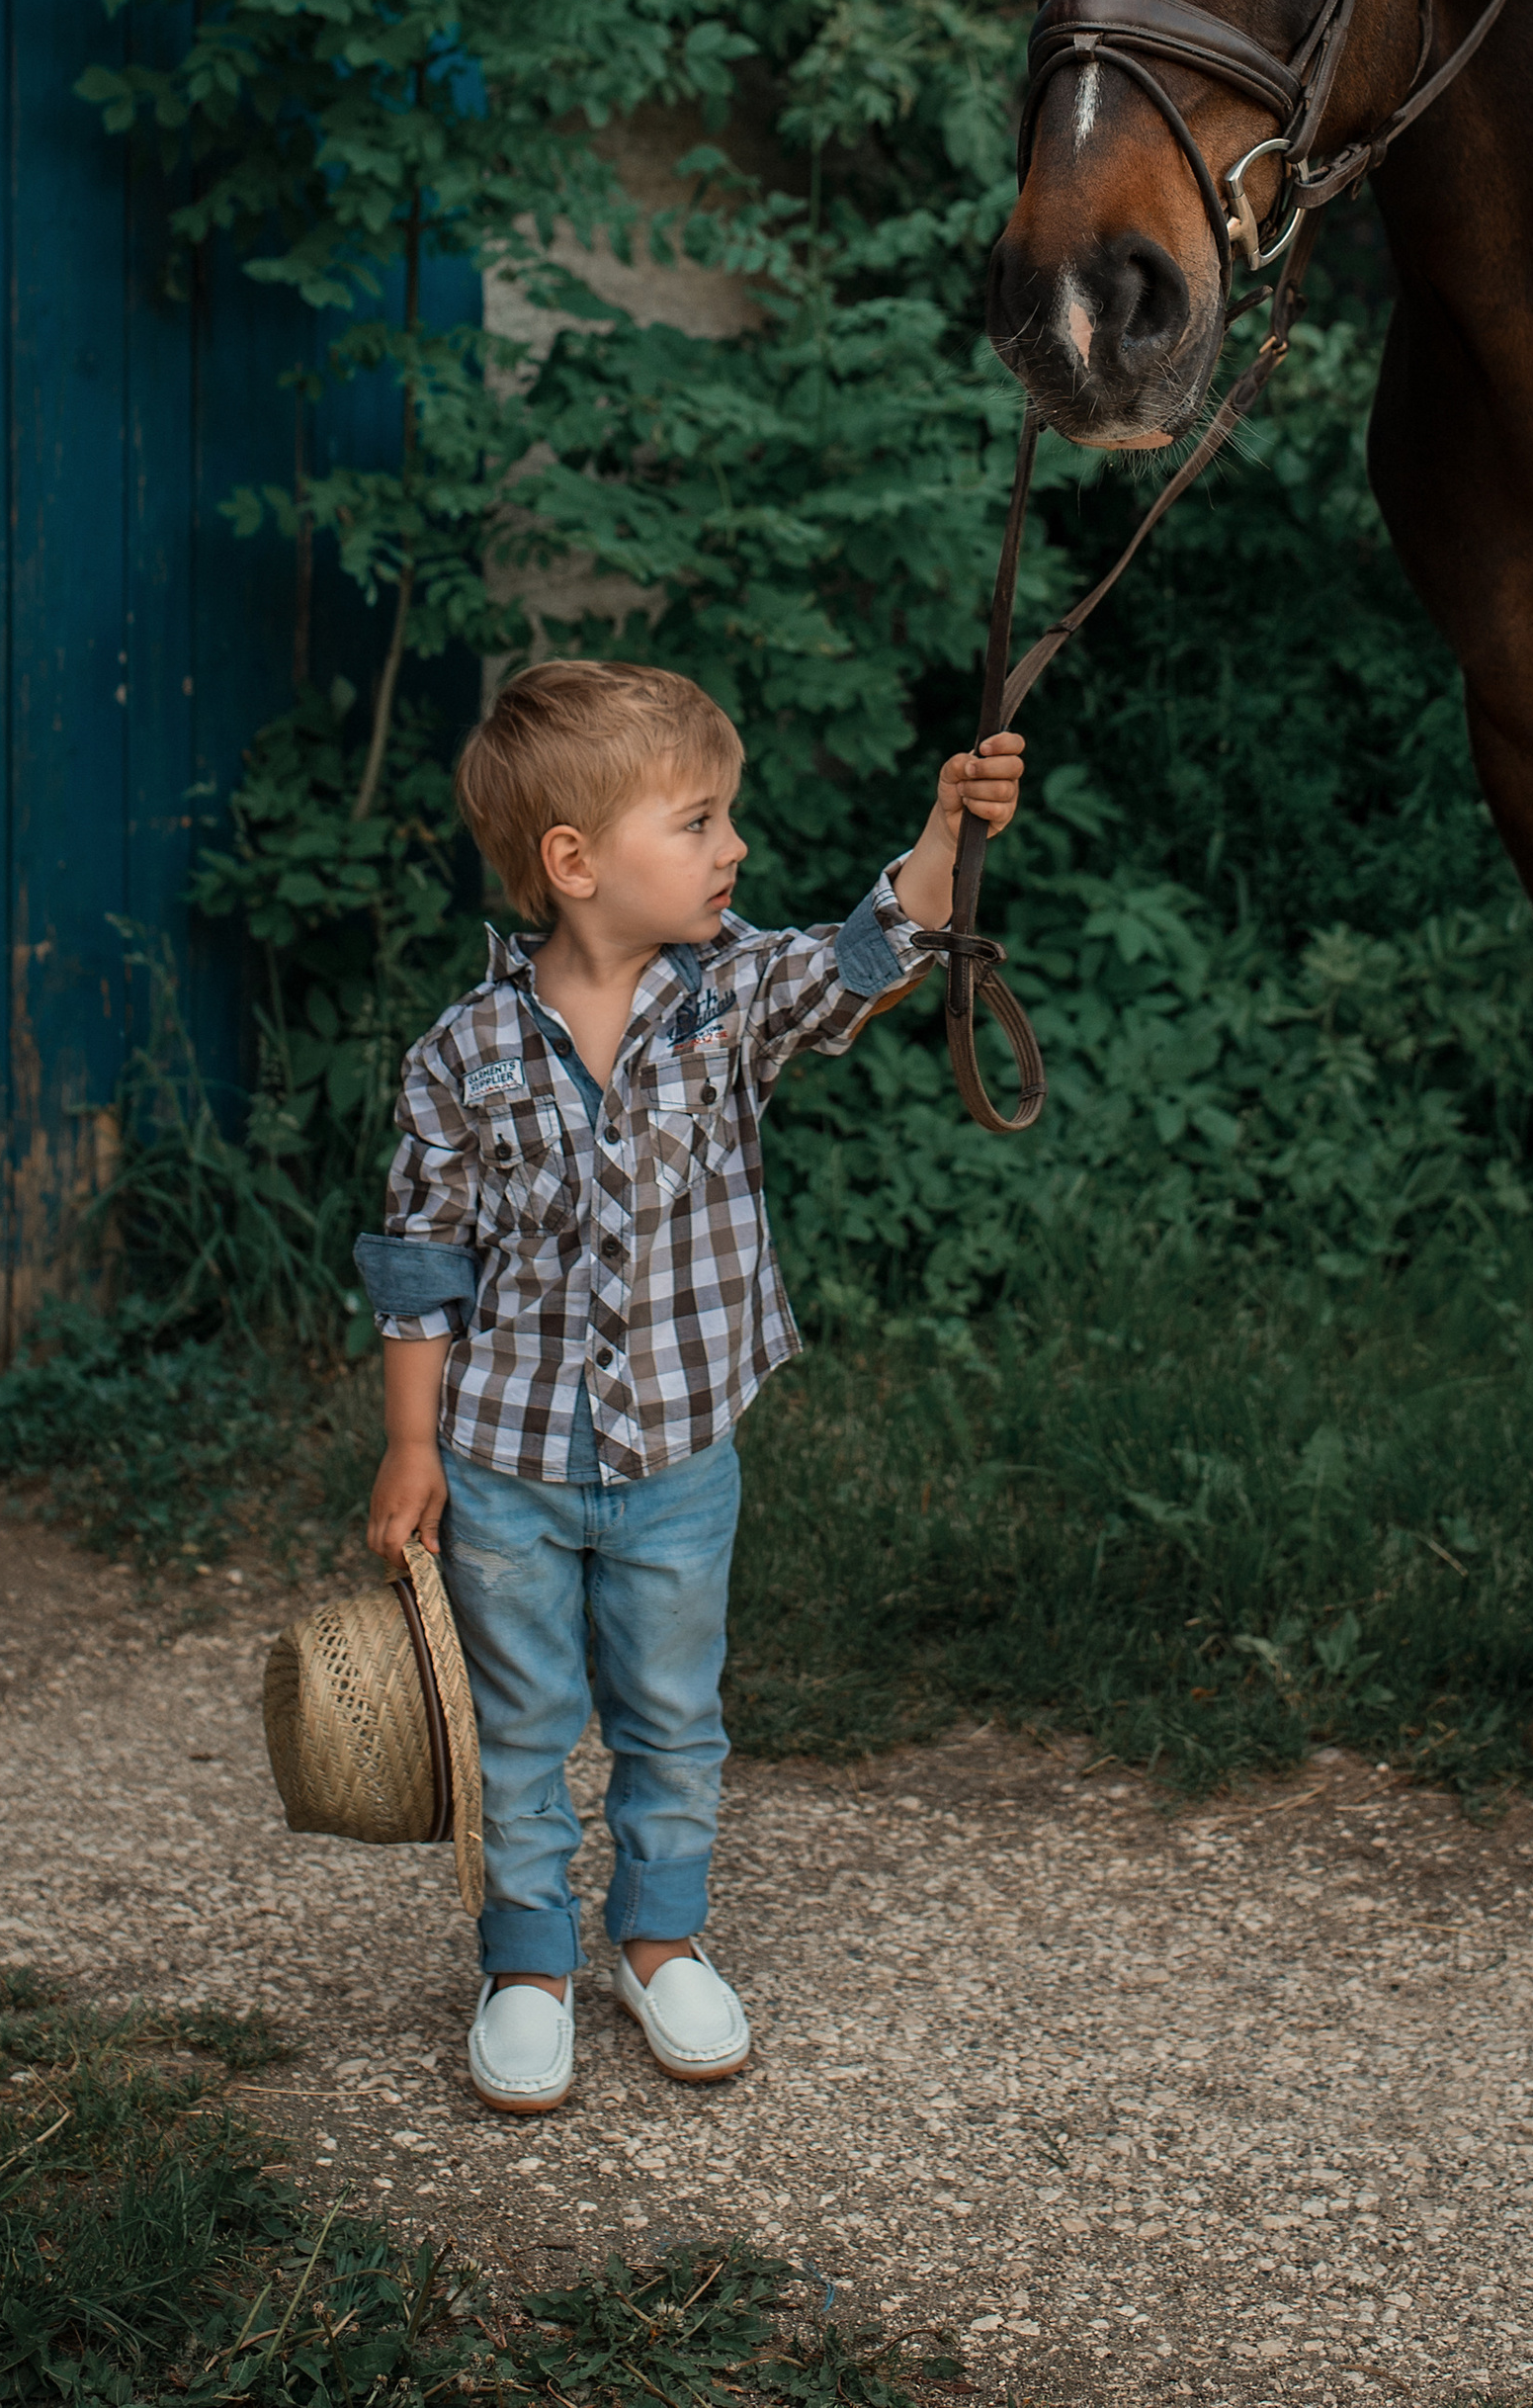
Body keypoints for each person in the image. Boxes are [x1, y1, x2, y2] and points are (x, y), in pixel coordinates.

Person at [356, 656, 1026, 2116]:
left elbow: (875, 945)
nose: (734, 850)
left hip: (675, 1458)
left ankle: (659, 1940)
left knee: (671, 1710)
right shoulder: (460, 1055)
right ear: (576, 863)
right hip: (504, 1462)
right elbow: (421, 1259)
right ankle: (524, 1963)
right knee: (521, 1720)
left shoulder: (728, 1003)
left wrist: (946, 824)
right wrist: (412, 1446)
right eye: (702, 820)